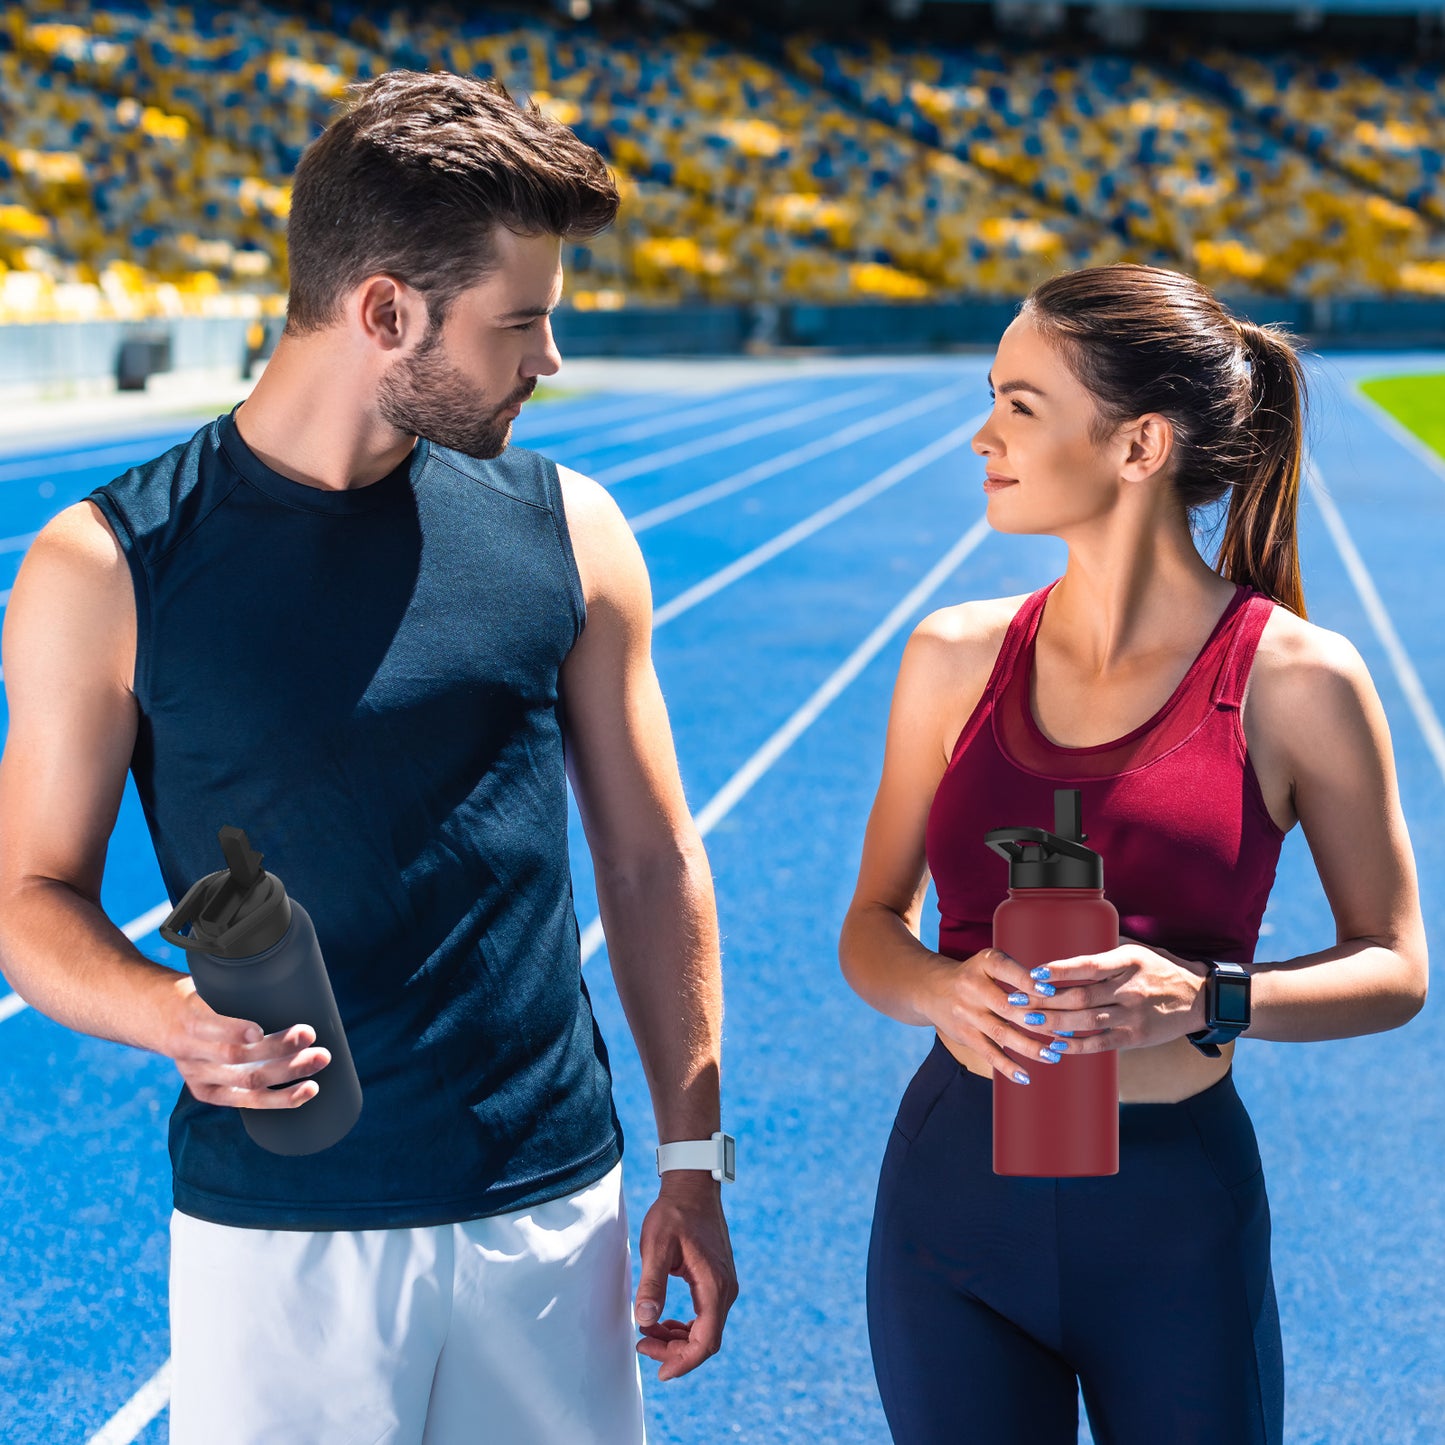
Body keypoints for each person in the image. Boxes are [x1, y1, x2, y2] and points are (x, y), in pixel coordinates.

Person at [0, 69, 737, 1444]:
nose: (552, 361)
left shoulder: (570, 529)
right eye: (522, 323)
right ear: (386, 311)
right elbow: (31, 896)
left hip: (550, 1216)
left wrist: (692, 1156)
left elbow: (650, 863)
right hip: (282, 1241)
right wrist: (163, 1013)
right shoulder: (107, 568)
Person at [838, 262, 1428, 1445]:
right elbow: (870, 929)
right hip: (953, 1202)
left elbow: (1394, 965)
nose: (980, 435)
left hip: (1173, 1219)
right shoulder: (952, 656)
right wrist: (943, 989)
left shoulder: (1296, 680)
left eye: (1019, 404)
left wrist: (1205, 996)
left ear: (1138, 444)